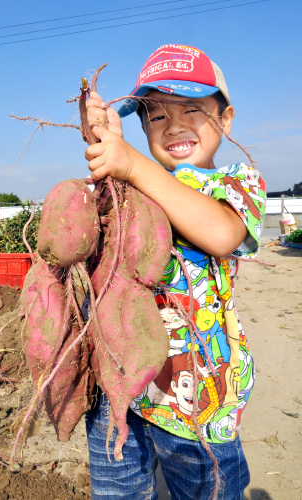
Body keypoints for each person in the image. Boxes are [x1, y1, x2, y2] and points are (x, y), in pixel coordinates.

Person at [84, 44, 266, 499]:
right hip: (122, 381)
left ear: (225, 119)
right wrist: (105, 146)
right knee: (116, 490)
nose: (175, 125)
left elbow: (222, 234)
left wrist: (132, 164)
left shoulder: (237, 183)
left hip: (197, 395)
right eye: (157, 116)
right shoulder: (133, 184)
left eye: (191, 108)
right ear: (143, 128)